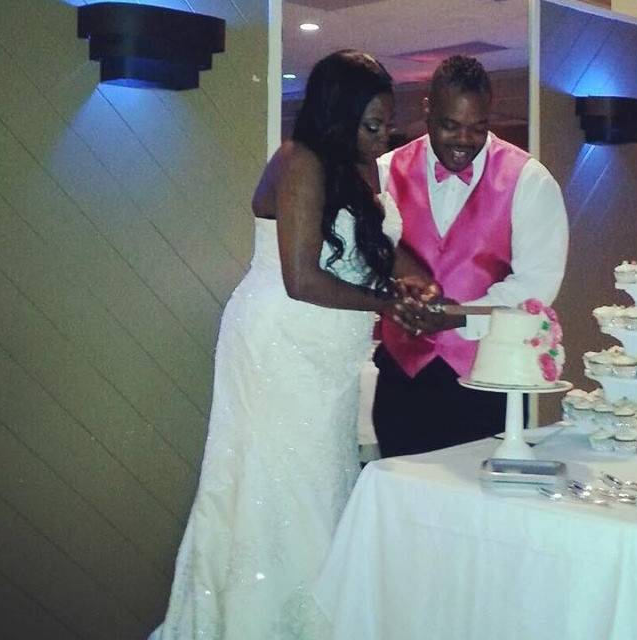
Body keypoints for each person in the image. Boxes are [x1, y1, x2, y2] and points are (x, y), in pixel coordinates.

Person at [150, 50, 431, 640]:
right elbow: (302, 278)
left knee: (322, 484)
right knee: (279, 489)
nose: (382, 140)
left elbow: (364, 251)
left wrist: (404, 282)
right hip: (278, 346)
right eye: (371, 126)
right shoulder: (298, 162)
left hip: (330, 356)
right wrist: (387, 304)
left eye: (387, 125)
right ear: (336, 115)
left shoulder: (360, 167)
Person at [372, 55, 570, 458]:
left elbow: (536, 284)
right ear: (428, 109)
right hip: (401, 376)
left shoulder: (528, 180)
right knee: (401, 500)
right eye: (450, 125)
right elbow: (369, 257)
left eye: (478, 127)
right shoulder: (384, 170)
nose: (464, 140)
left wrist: (457, 314)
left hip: (484, 377)